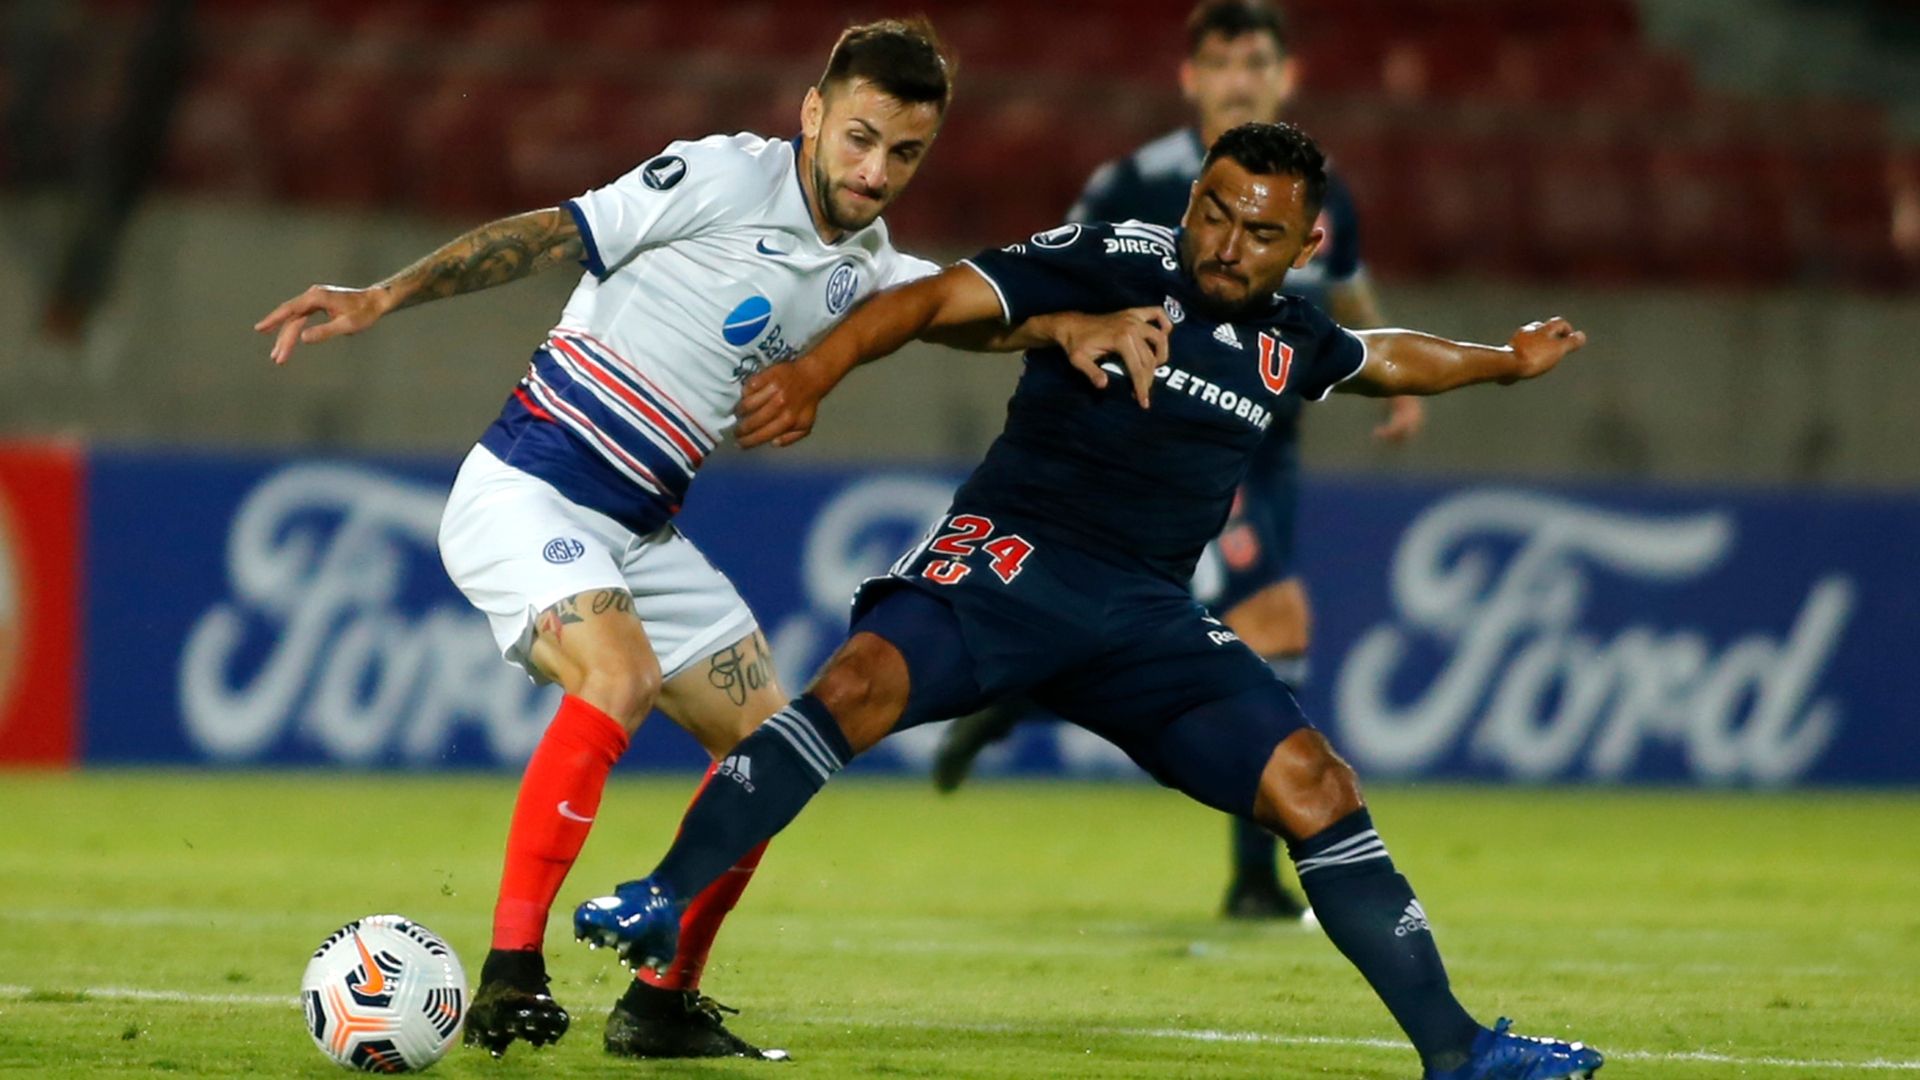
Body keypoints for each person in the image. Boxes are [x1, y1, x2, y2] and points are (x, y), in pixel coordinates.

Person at [574, 121, 1603, 1079]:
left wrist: (1507, 363)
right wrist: (817, 371)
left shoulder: (1293, 334)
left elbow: (1383, 358)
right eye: (1215, 210)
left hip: (1144, 617)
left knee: (1317, 786)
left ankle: (1461, 1051)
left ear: (1307, 244)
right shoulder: (1117, 258)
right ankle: (666, 896)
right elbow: (933, 301)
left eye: (1262, 231)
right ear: (1193, 197)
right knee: (858, 684)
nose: (1228, 243)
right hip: (1012, 563)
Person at [255, 18, 1155, 1062]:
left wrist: (1064, 329)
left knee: (779, 750)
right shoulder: (727, 174)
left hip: (640, 527)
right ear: (812, 113)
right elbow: (555, 232)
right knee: (620, 676)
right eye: (859, 137)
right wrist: (383, 294)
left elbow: (950, 311)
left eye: (904, 154)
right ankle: (511, 969)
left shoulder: (863, 264)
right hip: (530, 487)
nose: (874, 172)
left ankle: (659, 1004)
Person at [930, 0, 1422, 924]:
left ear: (1287, 78)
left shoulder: (1324, 197)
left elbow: (1346, 285)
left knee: (1234, 628)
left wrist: (1389, 374)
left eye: (1259, 63)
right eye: (1225, 62)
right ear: (1192, 77)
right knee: (1268, 615)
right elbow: (1056, 280)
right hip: (1151, 444)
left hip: (1264, 449)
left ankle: (1020, 701)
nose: (1243, 79)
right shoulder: (1133, 184)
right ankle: (1254, 880)